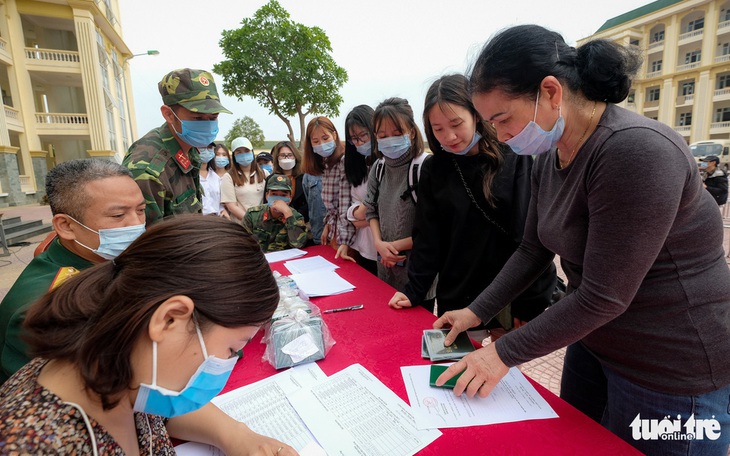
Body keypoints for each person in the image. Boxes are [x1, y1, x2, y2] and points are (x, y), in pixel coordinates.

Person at [433, 25, 730, 455]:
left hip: (673, 367)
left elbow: (605, 296)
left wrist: (502, 354)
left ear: (551, 92)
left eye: (502, 119)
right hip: (597, 345)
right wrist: (476, 311)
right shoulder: (548, 157)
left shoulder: (635, 150)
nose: (499, 136)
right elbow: (534, 249)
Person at [0, 216, 297, 455]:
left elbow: (159, 413)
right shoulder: (32, 442)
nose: (229, 362)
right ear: (169, 319)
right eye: (233, 349)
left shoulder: (120, 361)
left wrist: (235, 434)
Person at [388, 75, 556, 328]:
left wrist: (529, 299)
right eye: (438, 128)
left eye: (456, 124)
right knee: (458, 364)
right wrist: (414, 290)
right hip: (459, 294)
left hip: (507, 294)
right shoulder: (435, 169)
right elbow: (428, 237)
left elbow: (529, 234)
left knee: (502, 365)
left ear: (476, 114)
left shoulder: (512, 156)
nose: (450, 136)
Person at [0, 159, 146, 383]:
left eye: (141, 210)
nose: (137, 224)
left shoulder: (101, 257)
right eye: (118, 216)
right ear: (66, 226)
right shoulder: (50, 308)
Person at [123, 68, 231, 226]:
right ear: (169, 115)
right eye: (198, 118)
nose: (207, 125)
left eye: (213, 117)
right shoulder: (148, 171)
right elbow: (147, 242)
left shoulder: (189, 147)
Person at [363, 98, 429, 292]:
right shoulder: (379, 167)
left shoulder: (424, 167)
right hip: (384, 268)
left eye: (397, 133)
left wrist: (391, 246)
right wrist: (378, 243)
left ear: (412, 131)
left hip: (418, 277)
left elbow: (434, 227)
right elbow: (371, 210)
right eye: (382, 135)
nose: (389, 140)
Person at [334, 105, 378, 275]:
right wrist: (357, 215)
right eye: (354, 139)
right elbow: (349, 212)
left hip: (387, 249)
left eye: (363, 136)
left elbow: (385, 212)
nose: (359, 143)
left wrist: (359, 215)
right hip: (363, 248)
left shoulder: (384, 164)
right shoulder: (354, 164)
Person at [301, 116, 346, 248]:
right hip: (323, 234)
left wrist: (342, 238)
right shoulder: (318, 168)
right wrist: (328, 224)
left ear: (334, 135)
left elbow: (344, 206)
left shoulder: (344, 162)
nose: (321, 144)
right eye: (316, 141)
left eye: (325, 138)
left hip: (344, 239)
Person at [243, 174, 308, 252]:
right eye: (274, 194)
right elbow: (242, 243)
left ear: (290, 198)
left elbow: (299, 244)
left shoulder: (296, 217)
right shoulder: (252, 214)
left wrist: (288, 214)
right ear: (267, 196)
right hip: (258, 259)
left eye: (283, 195)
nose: (278, 199)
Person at [221, 136, 268, 221]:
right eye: (239, 152)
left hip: (264, 225)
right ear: (234, 155)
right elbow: (232, 206)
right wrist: (252, 222)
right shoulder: (228, 177)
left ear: (252, 152)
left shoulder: (264, 173)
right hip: (242, 225)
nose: (243, 154)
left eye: (246, 151)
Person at [268, 141, 309, 224]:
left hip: (299, 222)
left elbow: (308, 203)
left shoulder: (304, 178)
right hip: (275, 224)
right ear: (277, 158)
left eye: (290, 155)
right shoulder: (271, 178)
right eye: (283, 155)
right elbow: (266, 202)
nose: (286, 158)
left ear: (295, 156)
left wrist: (293, 216)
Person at [198, 142, 229, 218]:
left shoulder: (215, 177)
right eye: (203, 148)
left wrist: (224, 210)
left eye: (209, 148)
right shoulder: (190, 176)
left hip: (215, 219)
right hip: (197, 220)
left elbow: (220, 203)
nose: (206, 151)